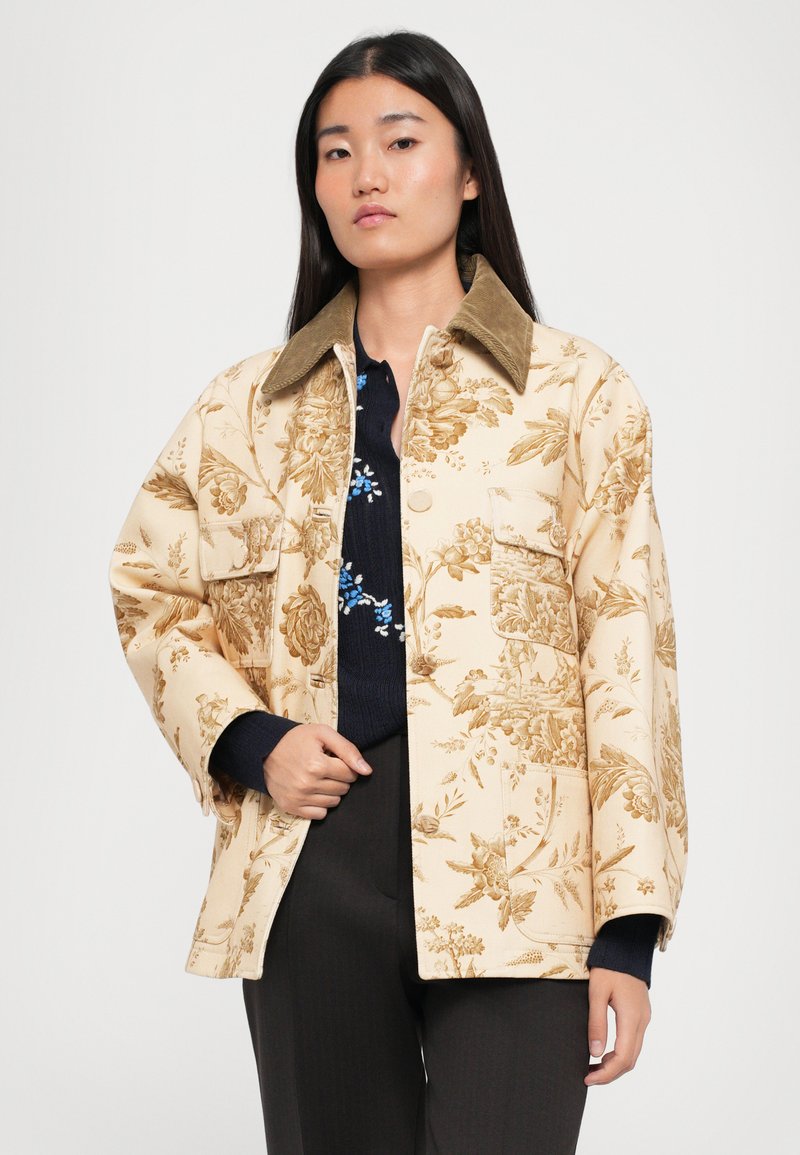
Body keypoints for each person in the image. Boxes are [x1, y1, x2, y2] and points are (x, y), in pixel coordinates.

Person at [109, 29, 688, 1155]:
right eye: (334, 152)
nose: (365, 174)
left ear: (468, 171)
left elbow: (629, 652)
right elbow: (148, 587)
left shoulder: (577, 394)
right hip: (313, 858)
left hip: (523, 876)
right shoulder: (243, 412)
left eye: (400, 141)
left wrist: (625, 928)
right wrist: (249, 739)